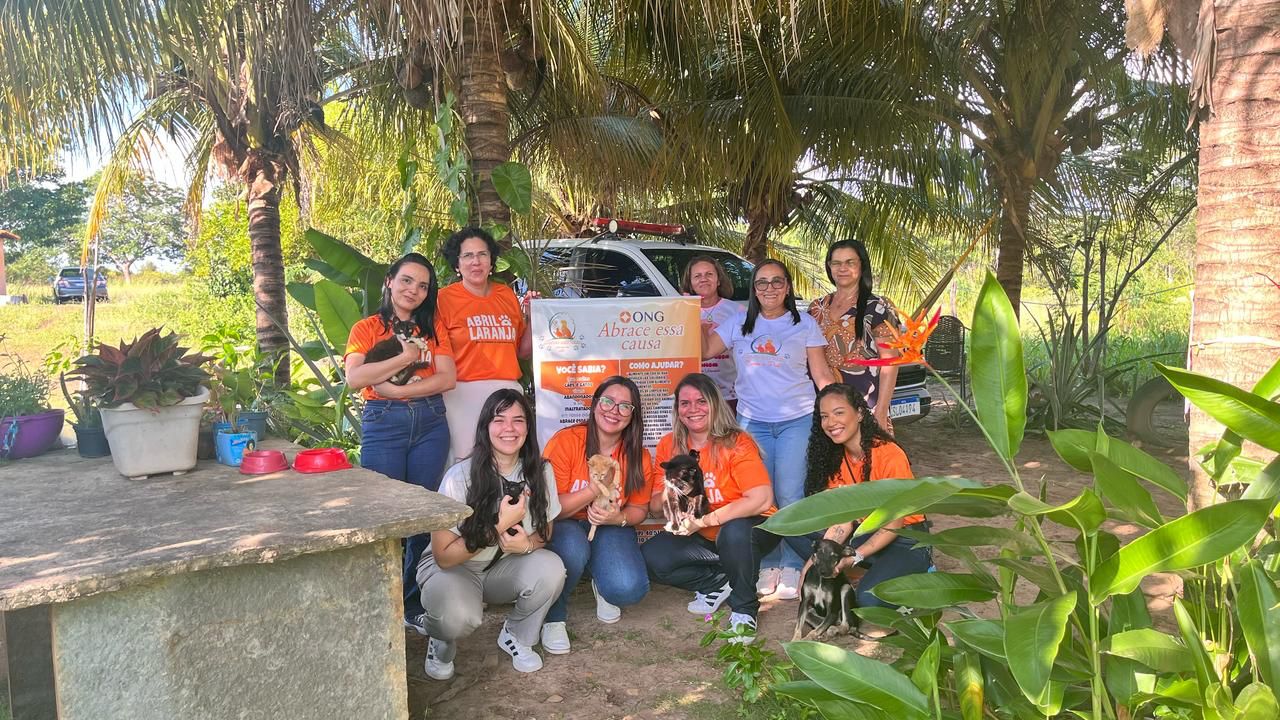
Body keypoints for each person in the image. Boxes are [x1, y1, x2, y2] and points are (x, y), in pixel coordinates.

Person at [701, 259, 836, 600]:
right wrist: (689, 313)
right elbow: (702, 350)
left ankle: (792, 561)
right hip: (751, 422)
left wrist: (839, 410)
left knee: (790, 494)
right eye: (762, 282)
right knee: (762, 496)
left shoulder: (804, 324)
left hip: (797, 419)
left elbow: (821, 374)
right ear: (754, 289)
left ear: (787, 287)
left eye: (777, 282)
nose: (769, 288)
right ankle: (769, 562)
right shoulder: (738, 323)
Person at [642, 374, 808, 638]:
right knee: (650, 557)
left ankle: (744, 610)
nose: (693, 409)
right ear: (677, 410)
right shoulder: (669, 445)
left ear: (715, 404)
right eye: (685, 403)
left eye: (701, 401)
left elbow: (761, 499)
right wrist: (675, 492)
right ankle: (718, 583)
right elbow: (654, 506)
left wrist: (705, 520)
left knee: (734, 531)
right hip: (702, 534)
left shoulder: (736, 442)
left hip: (751, 529)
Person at [416, 389, 566, 678]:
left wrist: (526, 545)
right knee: (457, 618)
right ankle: (440, 636)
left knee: (551, 567)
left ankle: (516, 636)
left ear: (528, 428)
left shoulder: (541, 471)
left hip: (502, 567)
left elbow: (546, 530)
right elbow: (444, 557)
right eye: (499, 420)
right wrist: (498, 526)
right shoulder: (459, 477)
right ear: (485, 427)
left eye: (518, 420)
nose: (509, 428)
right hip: (455, 569)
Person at [345, 252, 456, 636]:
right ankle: (379, 606)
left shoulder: (433, 328)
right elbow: (355, 378)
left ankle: (412, 603)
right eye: (407, 280)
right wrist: (406, 356)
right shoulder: (366, 328)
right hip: (384, 424)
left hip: (430, 422)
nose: (414, 290)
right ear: (389, 281)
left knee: (422, 516)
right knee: (384, 515)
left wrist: (393, 389)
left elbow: (447, 378)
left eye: (423, 286)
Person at [540, 377, 655, 653]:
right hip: (566, 522)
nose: (614, 411)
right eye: (607, 401)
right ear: (594, 405)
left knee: (628, 588)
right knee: (573, 548)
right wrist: (594, 489)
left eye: (625, 406)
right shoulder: (567, 441)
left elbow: (639, 510)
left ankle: (601, 579)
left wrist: (617, 518)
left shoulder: (637, 455)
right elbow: (549, 508)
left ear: (633, 414)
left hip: (610, 526)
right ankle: (553, 617)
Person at [804, 383, 932, 614]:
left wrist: (855, 556)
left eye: (839, 413)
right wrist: (811, 567)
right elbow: (843, 520)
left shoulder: (889, 454)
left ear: (860, 413)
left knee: (868, 602)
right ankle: (869, 572)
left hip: (906, 538)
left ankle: (919, 570)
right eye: (824, 416)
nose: (831, 422)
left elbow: (895, 524)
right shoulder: (836, 457)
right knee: (799, 530)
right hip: (865, 532)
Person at [437, 226, 535, 461]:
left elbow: (522, 351)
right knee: (466, 462)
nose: (476, 262)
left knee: (508, 461)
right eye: (468, 255)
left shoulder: (506, 295)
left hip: (507, 393)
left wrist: (533, 318)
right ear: (457, 264)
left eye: (482, 254)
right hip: (462, 394)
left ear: (491, 261)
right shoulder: (443, 299)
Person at [808, 240, 902, 431]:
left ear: (861, 265)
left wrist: (881, 412)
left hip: (865, 405)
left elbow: (890, 363)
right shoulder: (817, 308)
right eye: (836, 263)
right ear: (829, 267)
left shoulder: (878, 307)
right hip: (823, 407)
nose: (842, 268)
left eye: (850, 262)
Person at [681, 256, 739, 411]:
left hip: (730, 395)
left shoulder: (737, 311)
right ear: (690, 283)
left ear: (718, 280)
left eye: (709, 274)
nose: (703, 279)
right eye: (697, 276)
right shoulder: (680, 311)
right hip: (693, 396)